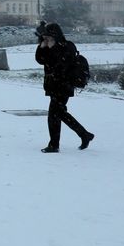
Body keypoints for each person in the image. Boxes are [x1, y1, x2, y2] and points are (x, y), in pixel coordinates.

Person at [34, 22, 94, 153]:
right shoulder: (49, 46)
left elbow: (62, 65)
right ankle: (83, 135)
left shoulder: (67, 46)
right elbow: (40, 60)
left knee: (54, 114)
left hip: (64, 85)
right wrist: (42, 46)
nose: (47, 39)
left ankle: (55, 144)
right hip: (53, 86)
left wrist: (52, 47)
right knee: (58, 113)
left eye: (49, 36)